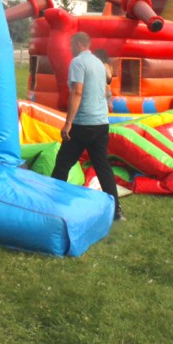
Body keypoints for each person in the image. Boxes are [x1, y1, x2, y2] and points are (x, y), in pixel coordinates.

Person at [51, 32, 124, 221]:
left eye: (71, 44)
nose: (69, 48)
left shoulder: (77, 62)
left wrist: (68, 123)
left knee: (62, 163)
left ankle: (50, 205)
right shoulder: (99, 63)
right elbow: (106, 81)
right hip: (101, 124)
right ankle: (116, 211)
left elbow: (77, 92)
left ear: (78, 44)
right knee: (102, 166)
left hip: (84, 123)